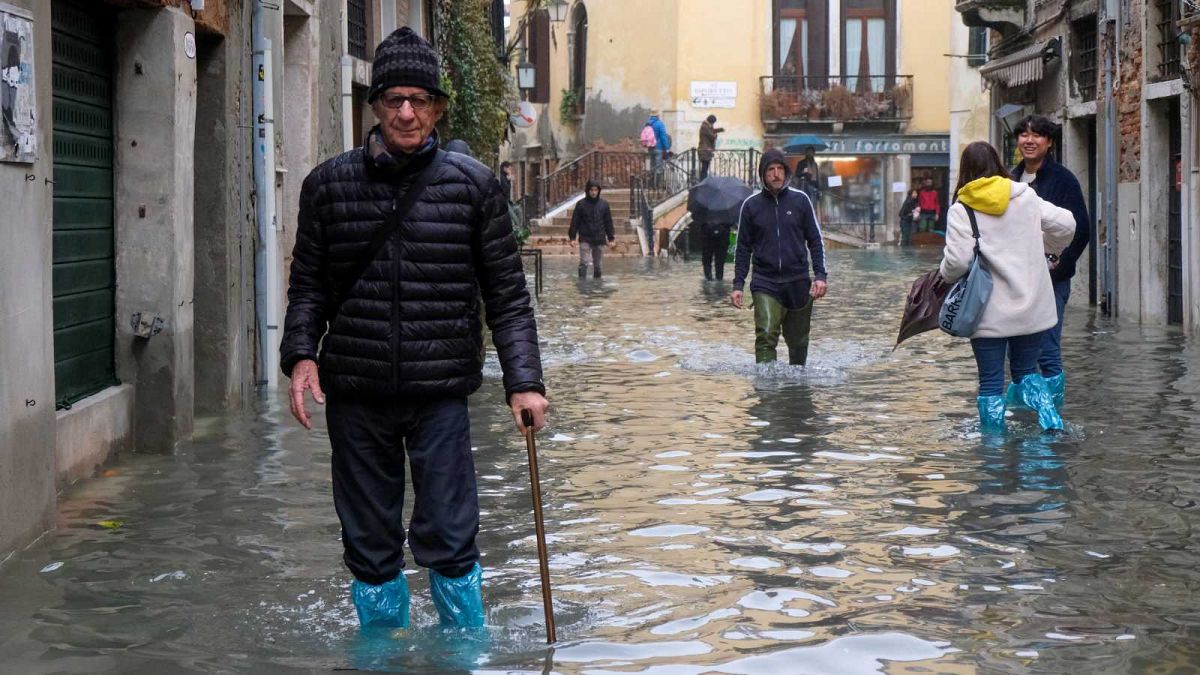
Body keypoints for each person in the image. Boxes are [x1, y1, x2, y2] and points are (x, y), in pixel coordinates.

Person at [280, 27, 549, 632]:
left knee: (452, 535)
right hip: (356, 391)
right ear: (375, 106)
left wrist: (524, 383)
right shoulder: (326, 187)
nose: (406, 112)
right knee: (370, 542)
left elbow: (508, 297)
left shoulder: (474, 187)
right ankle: (381, 655)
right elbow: (308, 287)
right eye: (394, 99)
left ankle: (461, 654)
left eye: (419, 100)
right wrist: (301, 355)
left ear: (437, 108)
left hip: (440, 395)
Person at [938, 141, 1075, 433]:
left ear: (965, 171)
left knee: (990, 381)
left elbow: (957, 262)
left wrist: (944, 275)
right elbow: (1067, 225)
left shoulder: (962, 209)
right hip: (1031, 309)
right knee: (1026, 372)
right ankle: (1051, 420)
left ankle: (994, 449)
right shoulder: (1026, 197)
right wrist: (1050, 250)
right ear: (998, 165)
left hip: (987, 314)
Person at [1006, 115, 1090, 410]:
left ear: (1050, 142)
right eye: (1024, 135)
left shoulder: (1063, 179)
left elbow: (1081, 228)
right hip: (1016, 280)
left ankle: (1052, 414)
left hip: (1052, 278)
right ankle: (1026, 411)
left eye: (1037, 135)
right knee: (1016, 350)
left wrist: (1061, 266)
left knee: (1046, 348)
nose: (1029, 140)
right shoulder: (1010, 179)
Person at [731, 148, 828, 365]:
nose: (776, 174)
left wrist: (820, 275)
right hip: (765, 282)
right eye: (770, 170)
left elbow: (815, 240)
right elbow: (742, 248)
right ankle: (767, 393)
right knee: (765, 336)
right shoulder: (751, 206)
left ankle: (796, 393)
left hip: (798, 281)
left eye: (780, 169)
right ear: (763, 175)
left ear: (786, 172)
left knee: (799, 342)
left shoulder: (801, 201)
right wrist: (738, 285)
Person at [568, 179, 615, 279]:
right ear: (587, 191)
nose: (593, 192)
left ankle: (597, 286)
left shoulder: (604, 204)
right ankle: (582, 284)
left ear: (598, 191)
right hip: (585, 237)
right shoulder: (581, 204)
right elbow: (575, 221)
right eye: (591, 190)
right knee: (584, 262)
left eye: (595, 190)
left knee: (597, 266)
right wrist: (572, 237)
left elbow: (608, 222)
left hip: (599, 238)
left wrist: (611, 238)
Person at [697, 115, 724, 180]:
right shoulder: (704, 127)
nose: (713, 124)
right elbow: (712, 136)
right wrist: (716, 135)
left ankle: (703, 181)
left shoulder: (707, 126)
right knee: (704, 168)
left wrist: (720, 130)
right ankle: (703, 182)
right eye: (713, 123)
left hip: (706, 150)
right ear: (711, 122)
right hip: (704, 150)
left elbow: (711, 131)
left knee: (705, 168)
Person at [644, 109, 671, 176]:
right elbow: (663, 137)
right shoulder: (660, 124)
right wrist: (666, 148)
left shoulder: (647, 123)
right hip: (658, 148)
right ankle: (658, 185)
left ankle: (651, 184)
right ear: (658, 115)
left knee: (652, 167)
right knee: (659, 168)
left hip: (650, 148)